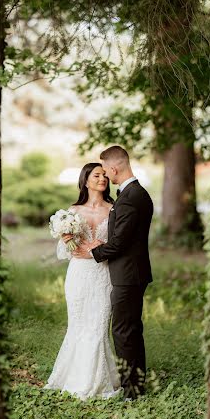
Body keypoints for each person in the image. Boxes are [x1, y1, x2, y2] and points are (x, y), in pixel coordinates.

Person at [72, 146, 153, 400]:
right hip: (130, 273)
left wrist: (92, 253)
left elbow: (119, 243)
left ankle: (132, 391)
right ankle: (135, 385)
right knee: (129, 330)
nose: (106, 176)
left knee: (124, 332)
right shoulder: (133, 194)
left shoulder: (131, 197)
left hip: (128, 275)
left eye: (106, 170)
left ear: (114, 168)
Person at [44, 162, 121, 400]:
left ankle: (97, 381)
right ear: (86, 180)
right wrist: (68, 240)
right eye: (96, 175)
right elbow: (65, 252)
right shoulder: (72, 212)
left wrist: (102, 247)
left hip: (104, 274)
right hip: (79, 276)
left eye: (104, 175)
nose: (102, 179)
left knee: (98, 327)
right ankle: (73, 378)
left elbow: (120, 243)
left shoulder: (114, 209)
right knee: (78, 325)